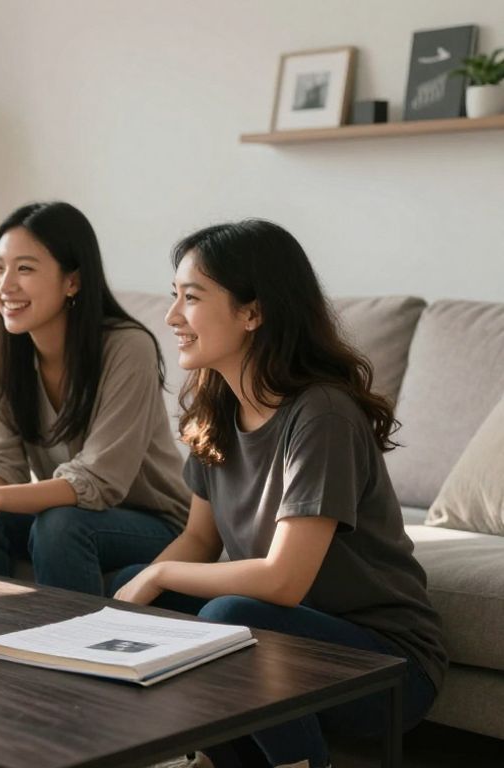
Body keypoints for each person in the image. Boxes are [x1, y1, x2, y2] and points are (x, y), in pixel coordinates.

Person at [112, 220, 445, 768]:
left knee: (229, 613)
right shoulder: (217, 411)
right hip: (284, 643)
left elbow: (284, 581)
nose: (171, 316)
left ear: (252, 312)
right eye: (174, 296)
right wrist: (132, 600)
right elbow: (199, 540)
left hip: (385, 662)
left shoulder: (322, 415)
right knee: (139, 588)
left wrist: (161, 573)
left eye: (191, 298)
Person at [0, 201, 189, 594]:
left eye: (25, 269)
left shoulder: (128, 348)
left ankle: (74, 635)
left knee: (60, 525)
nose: (5, 285)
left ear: (72, 281)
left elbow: (99, 479)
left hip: (153, 521)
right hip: (71, 511)